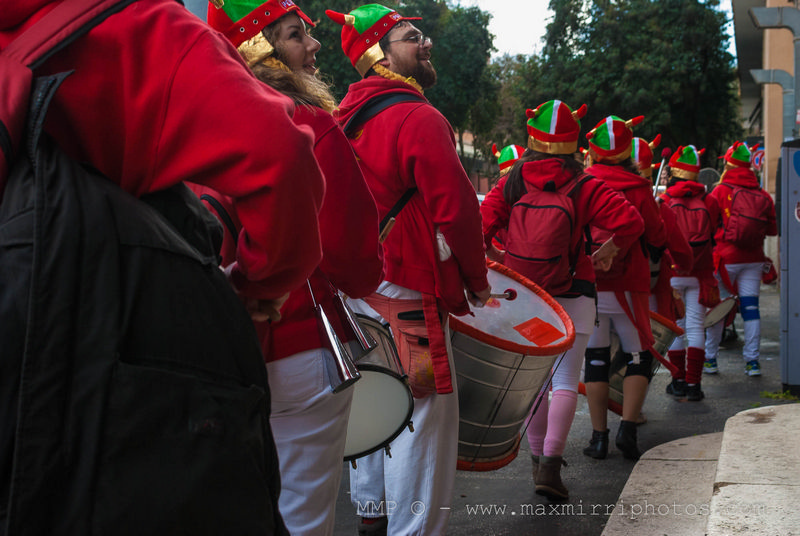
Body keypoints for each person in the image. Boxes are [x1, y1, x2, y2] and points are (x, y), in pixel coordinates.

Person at [0, 0, 327, 533]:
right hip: (119, 362)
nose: (312, 49)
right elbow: (282, 159)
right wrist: (258, 283)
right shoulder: (142, 25)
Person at [198, 1, 385, 534]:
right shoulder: (309, 122)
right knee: (303, 514)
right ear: (262, 49)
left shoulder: (193, 119)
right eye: (296, 35)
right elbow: (355, 262)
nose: (315, 45)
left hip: (214, 347)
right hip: (301, 345)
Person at [327, 4, 491, 534]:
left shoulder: (337, 118)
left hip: (354, 287)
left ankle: (372, 519)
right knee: (422, 423)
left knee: (372, 401)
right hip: (409, 284)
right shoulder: (419, 117)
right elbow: (458, 209)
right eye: (410, 36)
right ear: (379, 53)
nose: (425, 44)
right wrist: (477, 281)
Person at [481, 101, 645, 499]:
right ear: (573, 142)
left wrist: (496, 259)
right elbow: (632, 222)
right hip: (574, 293)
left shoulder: (513, 180)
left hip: (526, 298)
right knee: (567, 381)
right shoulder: (585, 184)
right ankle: (552, 467)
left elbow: (480, 226)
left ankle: (537, 461)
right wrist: (609, 249)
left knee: (535, 384)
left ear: (532, 138)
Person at [582, 116, 668, 461]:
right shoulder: (639, 187)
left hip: (591, 284)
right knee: (638, 356)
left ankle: (598, 438)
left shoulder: (582, 182)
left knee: (596, 358)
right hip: (630, 287)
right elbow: (657, 235)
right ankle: (628, 430)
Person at [705, 142, 777, 376]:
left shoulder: (720, 191)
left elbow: (707, 225)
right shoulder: (763, 195)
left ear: (727, 164)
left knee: (718, 309)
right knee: (751, 309)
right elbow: (773, 230)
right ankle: (753, 362)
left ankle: (710, 359)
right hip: (754, 260)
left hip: (724, 259)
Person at [660, 145, 721, 401]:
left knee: (676, 327)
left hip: (672, 272)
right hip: (699, 273)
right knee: (696, 327)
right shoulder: (710, 200)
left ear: (673, 172)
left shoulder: (663, 201)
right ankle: (695, 385)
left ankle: (678, 380)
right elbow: (715, 233)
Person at [630, 136, 693, 322]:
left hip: (602, 291)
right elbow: (681, 251)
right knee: (648, 343)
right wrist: (684, 267)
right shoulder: (659, 208)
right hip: (650, 287)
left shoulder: (597, 198)